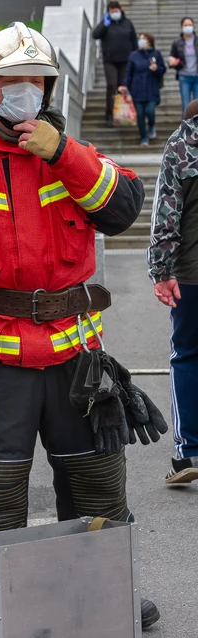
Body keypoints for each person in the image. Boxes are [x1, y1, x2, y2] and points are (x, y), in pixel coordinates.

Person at [0, 22, 160, 627]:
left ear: (48, 90)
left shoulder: (70, 158)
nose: (24, 92)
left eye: (36, 83)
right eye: (11, 82)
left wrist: (61, 152)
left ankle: (105, 597)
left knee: (97, 488)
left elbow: (123, 209)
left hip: (76, 359)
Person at [149, 97, 198, 485]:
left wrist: (160, 270)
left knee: (186, 355)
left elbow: (166, 214)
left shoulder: (182, 143)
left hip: (191, 276)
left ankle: (189, 454)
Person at [93, 1, 138, 126]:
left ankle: (124, 114)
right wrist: (104, 24)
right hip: (110, 61)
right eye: (111, 11)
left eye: (116, 10)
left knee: (122, 87)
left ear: (120, 10)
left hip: (126, 60)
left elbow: (134, 40)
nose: (114, 13)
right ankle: (109, 115)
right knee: (112, 86)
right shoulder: (106, 23)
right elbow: (95, 35)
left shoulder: (127, 23)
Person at [120, 32, 165, 146]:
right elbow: (129, 73)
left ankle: (151, 126)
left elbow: (163, 70)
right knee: (140, 115)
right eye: (140, 39)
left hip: (152, 89)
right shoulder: (133, 55)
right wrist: (125, 85)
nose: (141, 41)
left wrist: (156, 68)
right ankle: (144, 137)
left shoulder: (156, 54)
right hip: (137, 90)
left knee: (150, 111)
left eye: (144, 38)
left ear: (149, 41)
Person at [168, 17, 198, 116]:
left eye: (190, 25)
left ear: (193, 26)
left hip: (196, 76)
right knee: (186, 105)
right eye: (185, 25)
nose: (188, 27)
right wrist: (172, 62)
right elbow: (172, 58)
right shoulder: (177, 42)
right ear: (181, 27)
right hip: (184, 76)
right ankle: (186, 129)